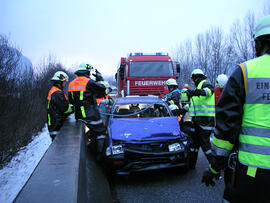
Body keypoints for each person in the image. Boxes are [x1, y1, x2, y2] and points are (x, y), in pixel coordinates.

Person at [201, 15, 270, 203]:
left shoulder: (246, 72)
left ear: (260, 42)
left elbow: (227, 128)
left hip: (254, 173)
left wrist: (215, 168)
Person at [68, 62, 107, 159]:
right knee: (101, 132)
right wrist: (100, 78)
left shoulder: (71, 84)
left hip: (79, 115)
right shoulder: (89, 82)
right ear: (87, 72)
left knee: (92, 134)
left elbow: (71, 100)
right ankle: (100, 155)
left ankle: (91, 150)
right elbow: (102, 90)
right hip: (91, 114)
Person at [185, 69, 215, 169]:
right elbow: (195, 105)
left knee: (205, 144)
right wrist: (183, 110)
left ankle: (215, 167)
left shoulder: (205, 83)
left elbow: (210, 91)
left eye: (194, 79)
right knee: (194, 144)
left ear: (196, 77)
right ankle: (191, 165)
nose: (193, 81)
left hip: (205, 120)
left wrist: (196, 92)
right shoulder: (198, 87)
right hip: (197, 120)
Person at [47, 71, 73, 141]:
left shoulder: (55, 91)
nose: (65, 83)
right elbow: (65, 108)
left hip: (54, 123)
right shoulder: (57, 93)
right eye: (64, 81)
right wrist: (74, 108)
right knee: (59, 145)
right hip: (56, 125)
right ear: (59, 82)